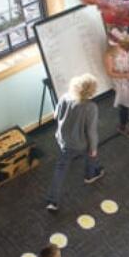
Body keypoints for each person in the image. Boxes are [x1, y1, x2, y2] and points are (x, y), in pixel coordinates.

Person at [46, 74, 104, 212]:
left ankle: (52, 201)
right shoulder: (91, 107)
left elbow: (55, 115)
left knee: (60, 170)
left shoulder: (65, 97)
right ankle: (90, 175)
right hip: (80, 144)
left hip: (63, 140)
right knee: (91, 154)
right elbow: (91, 131)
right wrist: (94, 147)